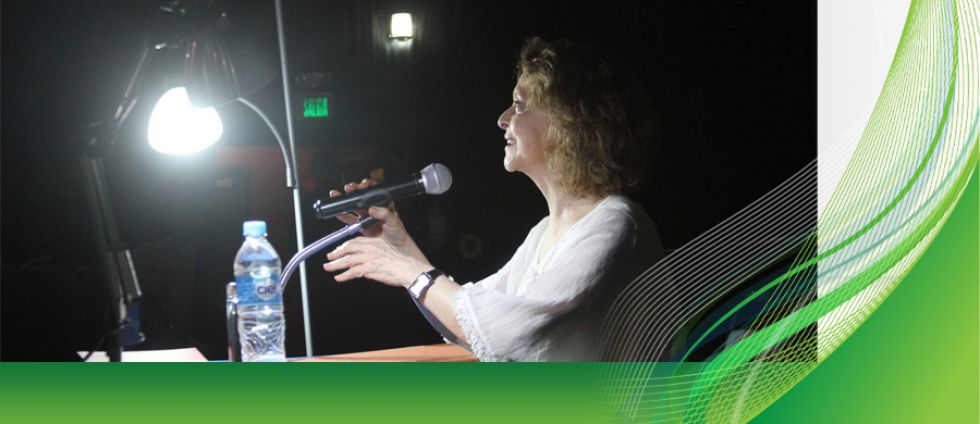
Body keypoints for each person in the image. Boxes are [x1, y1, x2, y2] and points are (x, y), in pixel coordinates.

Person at [323, 37, 664, 361]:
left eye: (519, 105)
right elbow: (469, 322)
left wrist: (407, 269)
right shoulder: (545, 232)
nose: (503, 119)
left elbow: (501, 331)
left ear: (567, 121)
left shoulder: (616, 222)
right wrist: (399, 247)